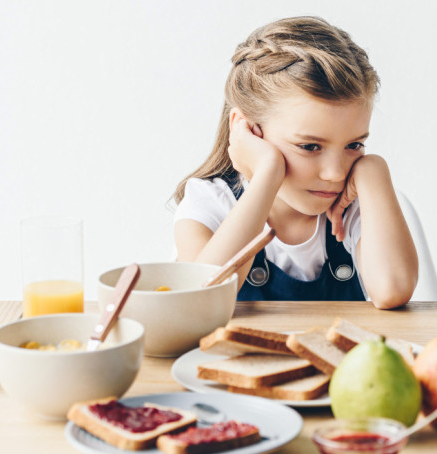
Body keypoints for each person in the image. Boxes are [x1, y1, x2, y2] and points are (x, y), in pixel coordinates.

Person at [172, 16, 418, 308]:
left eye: (354, 145)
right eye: (310, 146)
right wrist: (267, 173)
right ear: (248, 131)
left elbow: (392, 289)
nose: (335, 173)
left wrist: (374, 171)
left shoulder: (355, 205)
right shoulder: (209, 201)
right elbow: (201, 302)